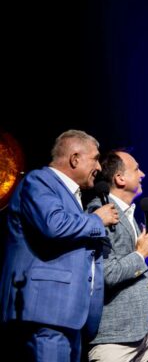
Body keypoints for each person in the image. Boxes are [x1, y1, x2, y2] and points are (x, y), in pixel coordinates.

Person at [0, 130, 120, 362]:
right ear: (75, 159)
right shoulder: (40, 181)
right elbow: (53, 225)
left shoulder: (71, 194)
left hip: (69, 316)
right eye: (95, 158)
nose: (99, 167)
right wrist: (97, 220)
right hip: (47, 312)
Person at [87, 150, 148, 362]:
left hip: (140, 333)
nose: (142, 174)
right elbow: (106, 274)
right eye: (136, 169)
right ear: (119, 178)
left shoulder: (127, 214)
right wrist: (140, 254)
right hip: (116, 337)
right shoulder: (100, 213)